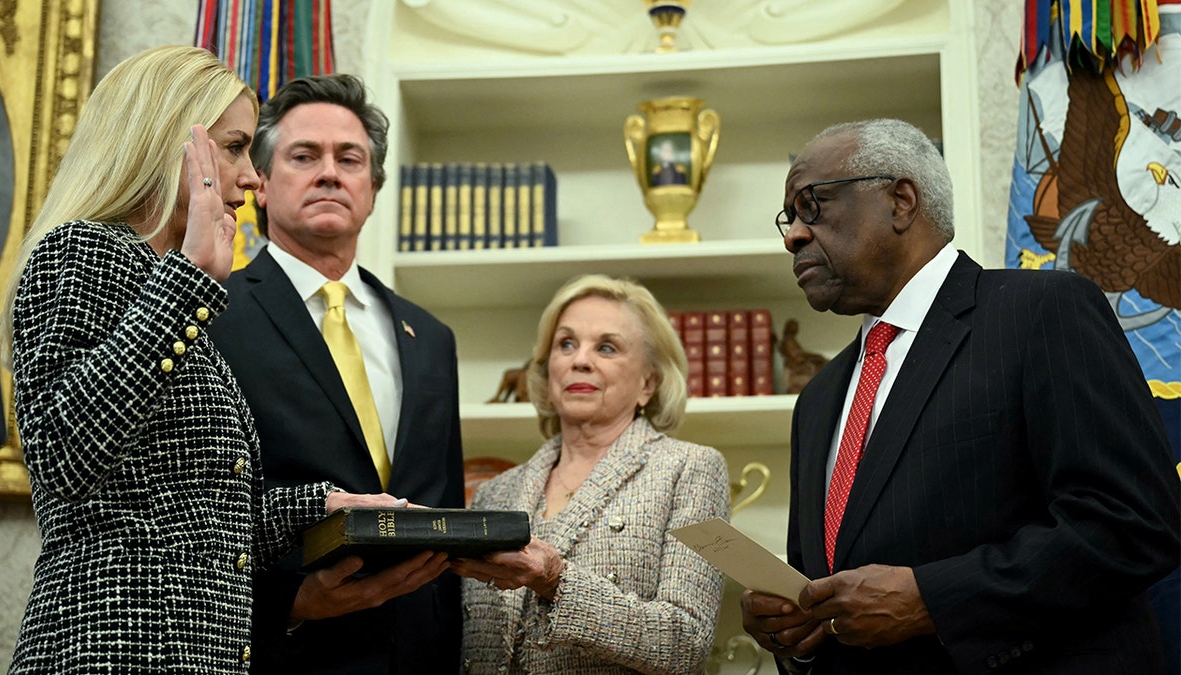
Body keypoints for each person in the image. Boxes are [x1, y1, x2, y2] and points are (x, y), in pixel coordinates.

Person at [0, 45, 396, 673]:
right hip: (112, 654)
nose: (253, 177)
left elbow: (189, 518)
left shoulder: (169, 285)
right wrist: (186, 278)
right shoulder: (80, 252)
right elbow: (62, 458)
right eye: (235, 147)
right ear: (166, 143)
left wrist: (319, 505)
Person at [741, 118, 1181, 674]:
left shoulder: (1043, 312)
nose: (792, 236)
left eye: (813, 205)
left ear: (901, 201)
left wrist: (933, 601)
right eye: (789, 217)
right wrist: (797, 630)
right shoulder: (820, 399)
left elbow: (1132, 523)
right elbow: (830, 589)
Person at [207, 73, 464, 674]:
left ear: (372, 189)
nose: (329, 172)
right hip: (279, 650)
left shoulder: (431, 337)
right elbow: (192, 512)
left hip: (419, 656)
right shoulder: (209, 311)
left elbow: (442, 506)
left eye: (349, 159)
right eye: (304, 156)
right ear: (260, 184)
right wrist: (285, 604)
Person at [451, 274, 730, 674]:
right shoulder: (493, 493)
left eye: (606, 347)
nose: (580, 359)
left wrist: (557, 582)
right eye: (566, 344)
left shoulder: (690, 470)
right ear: (548, 374)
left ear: (648, 383)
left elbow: (685, 643)